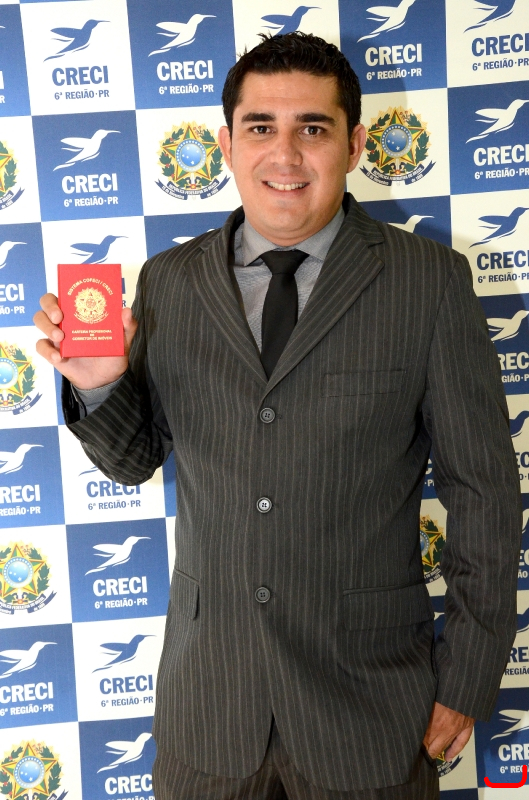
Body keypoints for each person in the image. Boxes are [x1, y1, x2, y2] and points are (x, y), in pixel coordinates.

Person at [34, 32, 521, 800]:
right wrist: (101, 388)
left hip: (369, 709)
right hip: (208, 708)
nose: (284, 154)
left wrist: (466, 679)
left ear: (353, 144)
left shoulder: (428, 283)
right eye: (260, 127)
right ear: (227, 144)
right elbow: (132, 461)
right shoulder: (168, 283)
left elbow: (484, 493)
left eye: (312, 128)